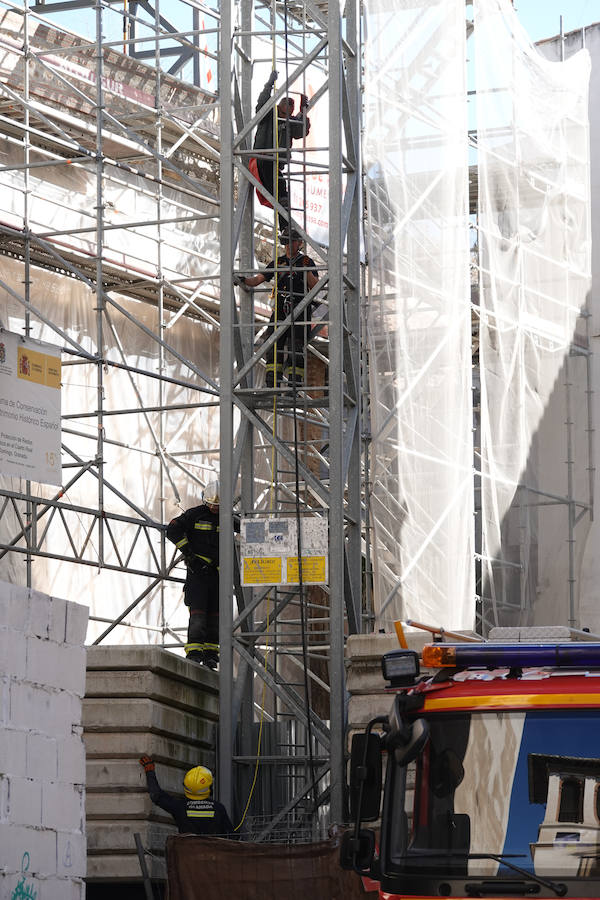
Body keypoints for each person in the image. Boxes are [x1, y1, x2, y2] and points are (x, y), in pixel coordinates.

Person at [237, 229, 319, 387]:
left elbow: (315, 286)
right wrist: (243, 280)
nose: (288, 245)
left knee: (296, 347)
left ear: (299, 243)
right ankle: (272, 381)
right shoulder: (278, 263)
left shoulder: (307, 262)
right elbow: (258, 280)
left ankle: (295, 384)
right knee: (273, 343)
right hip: (281, 310)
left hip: (300, 311)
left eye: (291, 242)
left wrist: (304, 270)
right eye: (285, 242)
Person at [166, 480, 220, 669]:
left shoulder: (227, 518)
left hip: (217, 576)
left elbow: (246, 530)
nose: (214, 508)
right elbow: (172, 530)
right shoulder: (195, 515)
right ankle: (195, 652)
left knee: (215, 616)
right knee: (198, 614)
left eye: (218, 506)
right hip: (198, 574)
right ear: (205, 501)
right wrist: (189, 554)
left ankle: (211, 654)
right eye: (212, 504)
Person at [249, 70, 310, 231]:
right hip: (263, 158)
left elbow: (301, 131)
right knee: (278, 191)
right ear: (280, 103)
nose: (289, 105)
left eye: (292, 104)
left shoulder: (290, 122)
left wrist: (304, 111)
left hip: (275, 162)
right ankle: (285, 225)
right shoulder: (270, 113)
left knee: (282, 196)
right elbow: (262, 104)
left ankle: (285, 228)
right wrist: (269, 84)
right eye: (286, 102)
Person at [139, 756, 236, 838]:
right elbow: (232, 837)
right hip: (213, 858)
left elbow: (157, 796)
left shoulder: (179, 806)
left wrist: (149, 771)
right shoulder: (218, 808)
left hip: (186, 857)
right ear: (209, 788)